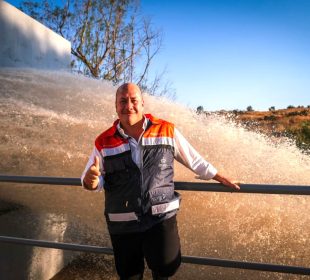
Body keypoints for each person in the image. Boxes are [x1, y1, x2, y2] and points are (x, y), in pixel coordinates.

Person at [81, 83, 240, 280]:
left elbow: (194, 159)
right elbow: (90, 180)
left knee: (165, 268)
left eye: (133, 100)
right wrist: (91, 179)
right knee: (129, 275)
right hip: (123, 223)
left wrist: (219, 176)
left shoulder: (166, 130)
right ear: (115, 106)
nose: (128, 106)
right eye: (122, 101)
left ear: (142, 103)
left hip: (160, 218)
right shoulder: (103, 141)